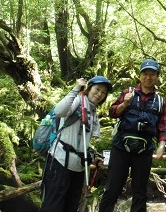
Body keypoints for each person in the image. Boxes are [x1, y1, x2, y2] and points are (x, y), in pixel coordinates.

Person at [98, 59, 166, 212]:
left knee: (140, 191)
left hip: (144, 151)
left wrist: (162, 146)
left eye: (152, 74)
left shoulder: (160, 101)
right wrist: (124, 103)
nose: (148, 77)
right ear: (140, 75)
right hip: (121, 147)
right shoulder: (128, 92)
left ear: (157, 76)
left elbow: (163, 127)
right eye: (145, 74)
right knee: (112, 188)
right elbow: (112, 113)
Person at [39, 76, 112, 212]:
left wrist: (93, 157)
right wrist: (76, 88)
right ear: (89, 88)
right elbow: (59, 111)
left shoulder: (93, 111)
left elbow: (84, 141)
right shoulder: (77, 101)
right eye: (97, 89)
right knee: (52, 206)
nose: (99, 94)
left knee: (71, 206)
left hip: (78, 168)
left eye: (103, 92)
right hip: (59, 162)